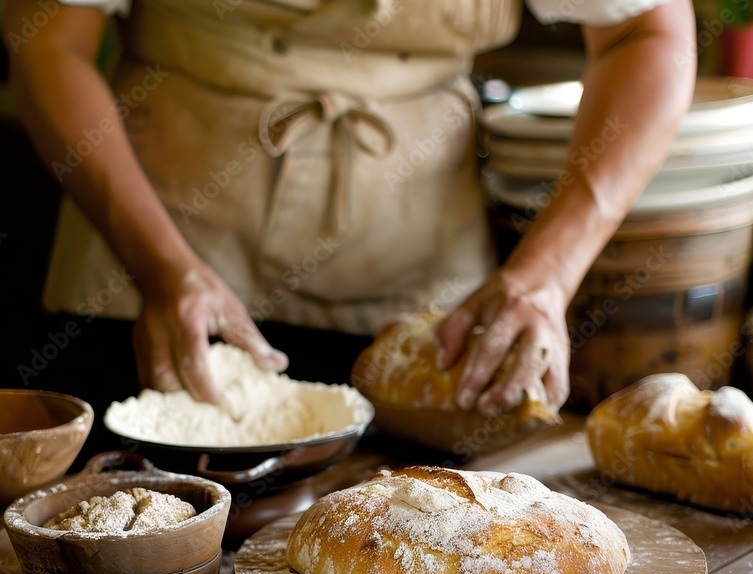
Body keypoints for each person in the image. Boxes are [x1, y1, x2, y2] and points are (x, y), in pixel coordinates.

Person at [3, 0, 697, 418]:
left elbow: (646, 34)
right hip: (147, 260)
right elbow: (46, 38)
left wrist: (546, 274)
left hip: (422, 297)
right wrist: (159, 267)